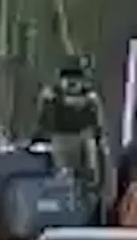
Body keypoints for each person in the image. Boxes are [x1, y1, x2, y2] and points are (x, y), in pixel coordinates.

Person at [34, 52, 110, 224]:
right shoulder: (51, 96)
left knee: (89, 174)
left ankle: (89, 210)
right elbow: (43, 126)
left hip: (85, 140)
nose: (72, 84)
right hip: (60, 140)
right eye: (68, 78)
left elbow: (98, 129)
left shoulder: (91, 98)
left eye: (76, 78)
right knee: (63, 177)